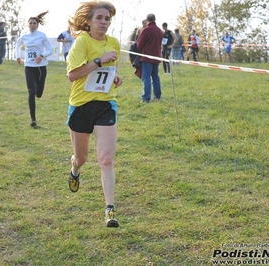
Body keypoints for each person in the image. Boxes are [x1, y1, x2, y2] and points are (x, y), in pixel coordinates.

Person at [66, 1, 123, 228]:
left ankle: (109, 210)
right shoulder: (81, 43)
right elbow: (73, 75)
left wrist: (115, 76)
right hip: (81, 105)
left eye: (107, 19)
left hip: (105, 104)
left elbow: (112, 68)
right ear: (88, 22)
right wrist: (98, 61)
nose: (104, 22)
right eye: (99, 18)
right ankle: (75, 169)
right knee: (82, 157)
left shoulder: (114, 43)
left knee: (106, 159)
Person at [15, 11, 53, 128]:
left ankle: (38, 89)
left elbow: (50, 50)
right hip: (29, 67)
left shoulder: (42, 35)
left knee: (39, 93)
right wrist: (18, 56)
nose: (32, 25)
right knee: (31, 92)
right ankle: (33, 119)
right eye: (30, 23)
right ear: (27, 24)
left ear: (37, 25)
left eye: (34, 23)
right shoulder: (24, 36)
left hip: (40, 68)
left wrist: (41, 55)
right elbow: (17, 44)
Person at [136, 13, 163, 103]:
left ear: (147, 20)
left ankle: (146, 98)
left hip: (146, 58)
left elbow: (139, 45)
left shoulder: (146, 30)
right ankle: (157, 97)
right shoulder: (160, 31)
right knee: (155, 77)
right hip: (156, 57)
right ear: (155, 20)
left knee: (146, 78)